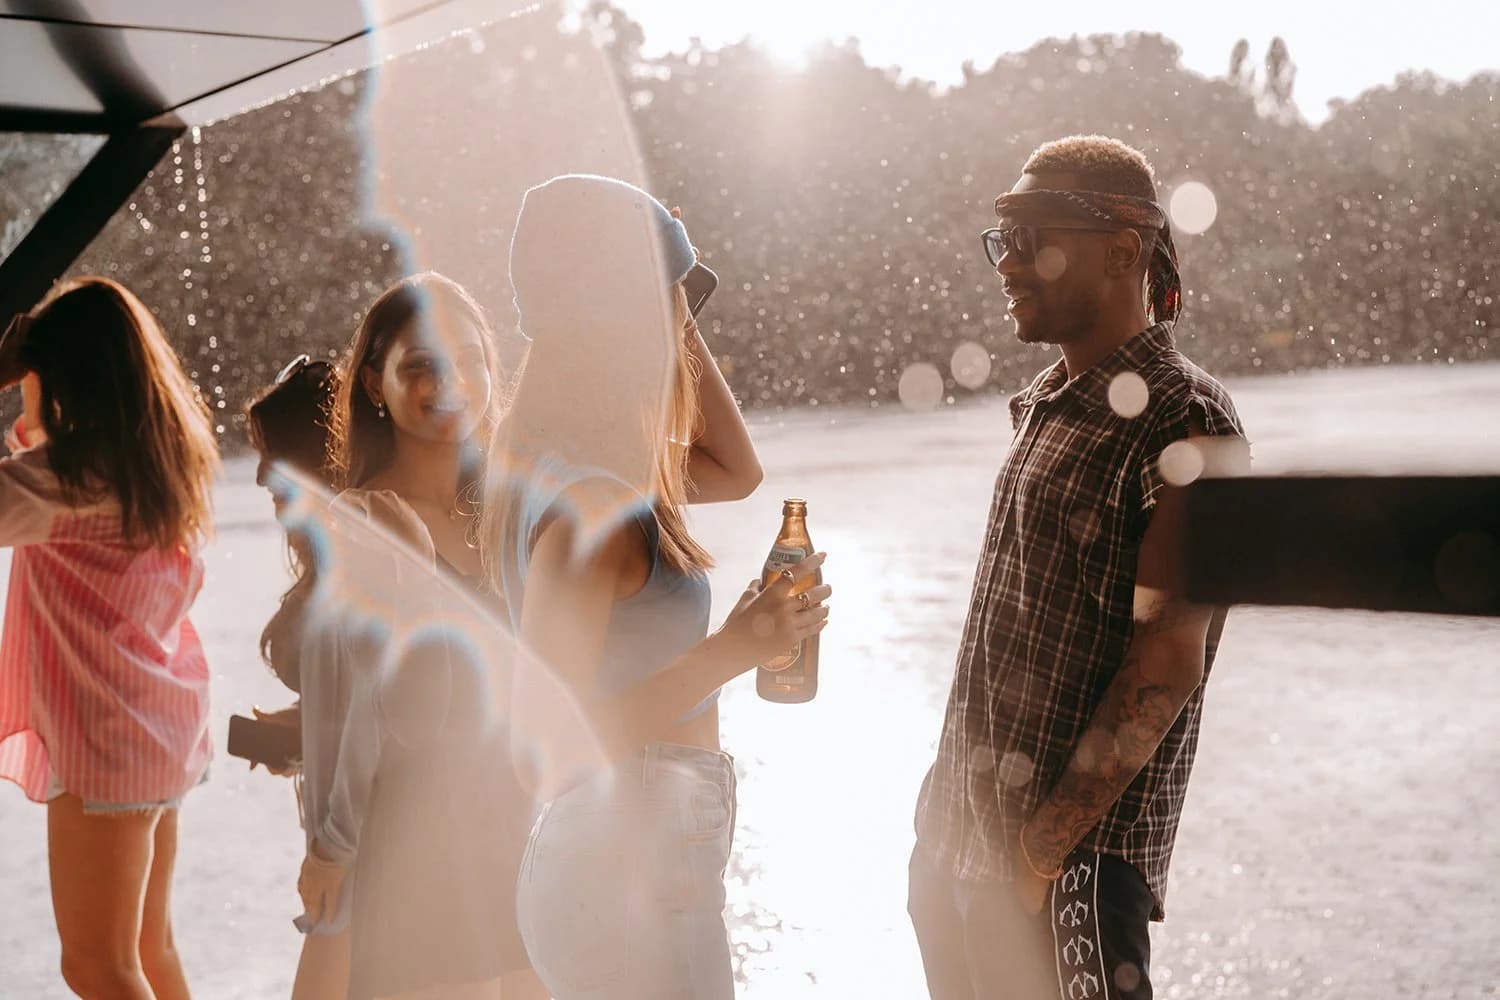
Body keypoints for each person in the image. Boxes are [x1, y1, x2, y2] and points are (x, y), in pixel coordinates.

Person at [909, 136, 1251, 1000]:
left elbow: (1164, 671)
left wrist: (1035, 861)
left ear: (1125, 251)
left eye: (1033, 238)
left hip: (1068, 880)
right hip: (960, 857)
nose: (1008, 265)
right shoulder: (1046, 406)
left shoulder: (1187, 420)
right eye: (1002, 241)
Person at [483, 173, 831, 1000]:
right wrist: (734, 649)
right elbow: (553, 737)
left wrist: (667, 279)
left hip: (626, 857)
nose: (685, 319)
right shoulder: (594, 509)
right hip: (627, 863)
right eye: (677, 301)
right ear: (626, 315)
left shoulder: (563, 469)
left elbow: (738, 471)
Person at [294, 272, 545, 1000]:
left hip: (523, 824)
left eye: (469, 361)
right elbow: (359, 701)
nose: (450, 383)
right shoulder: (364, 520)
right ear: (375, 382)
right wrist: (332, 848)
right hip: (421, 840)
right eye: (422, 365)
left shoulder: (514, 508)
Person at [0, 278, 220, 1000]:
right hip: (158, 729)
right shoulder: (156, 460)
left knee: (96, 965)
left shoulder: (59, 485)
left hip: (104, 746)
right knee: (148, 948)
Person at [244, 354, 351, 999]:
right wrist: (302, 729)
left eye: (275, 453)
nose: (259, 474)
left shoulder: (370, 554)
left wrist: (331, 853)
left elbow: (391, 720)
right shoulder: (329, 549)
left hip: (367, 848)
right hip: (347, 839)